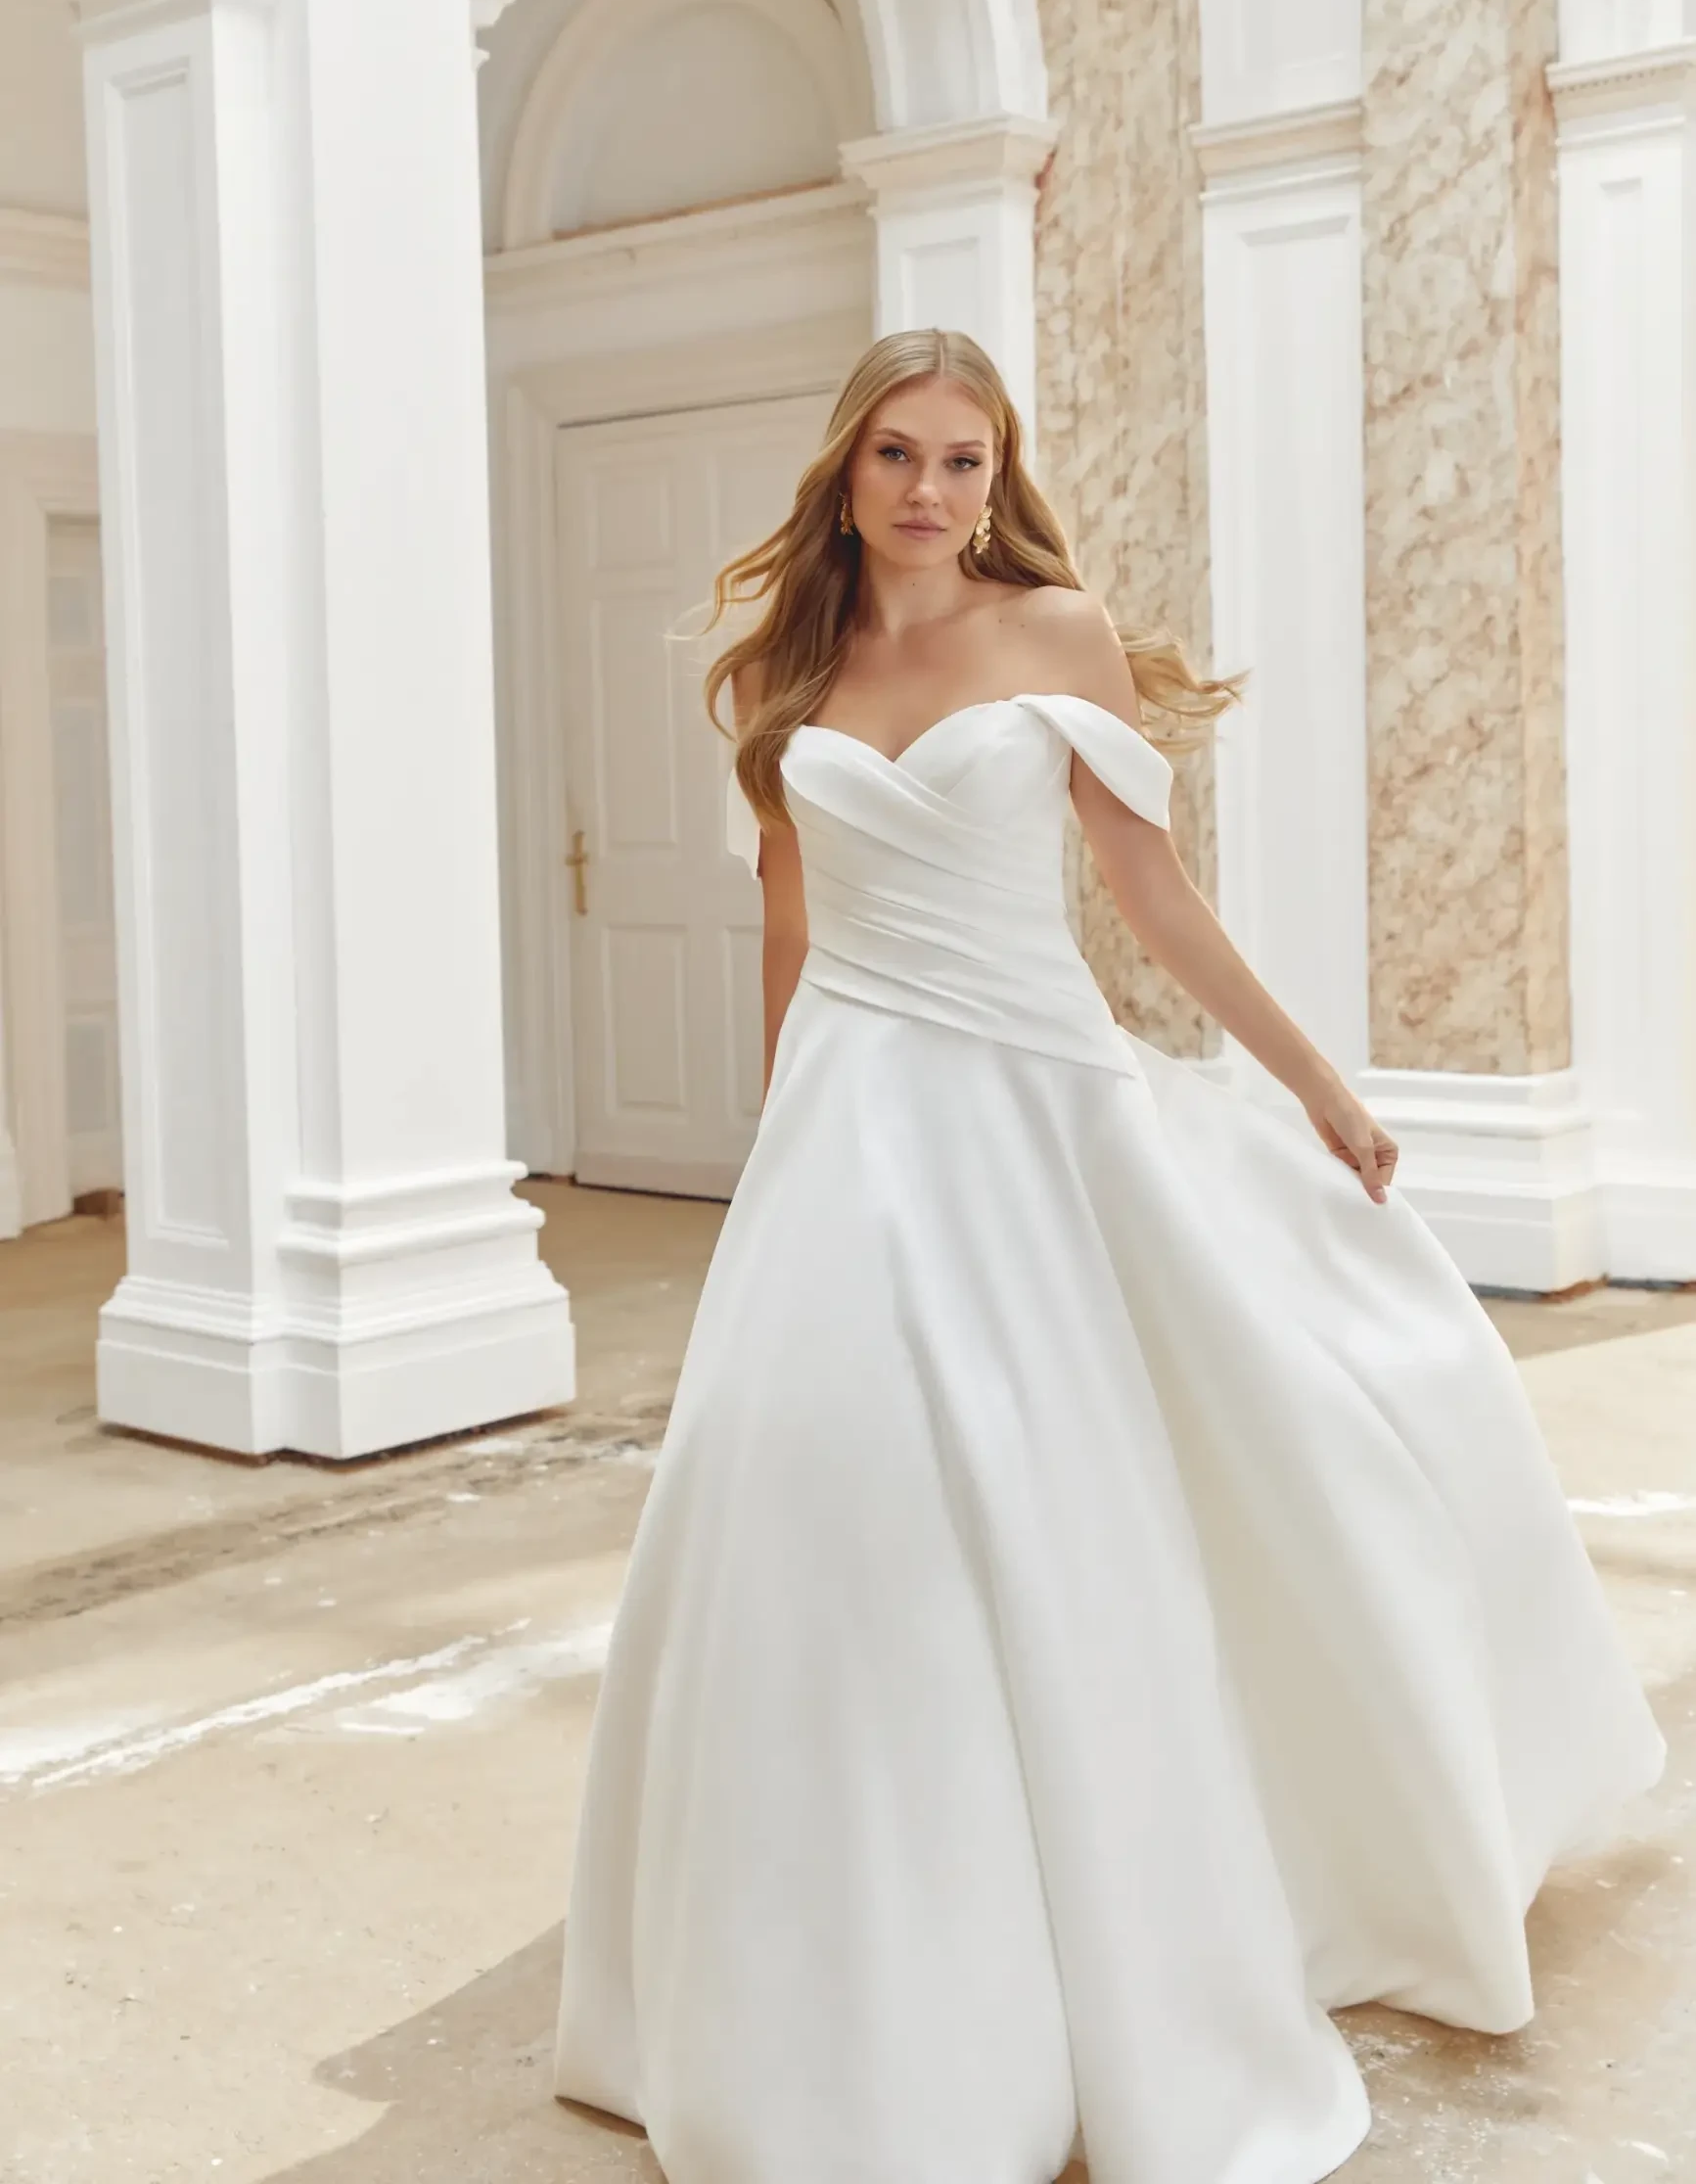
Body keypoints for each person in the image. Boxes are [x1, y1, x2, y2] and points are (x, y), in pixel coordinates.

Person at [552, 329, 1665, 2184]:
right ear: (848, 468)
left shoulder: (1054, 635)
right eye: (899, 453)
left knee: (1116, 1484)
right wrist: (774, 1151)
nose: (930, 490)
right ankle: (836, 1977)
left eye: (966, 460)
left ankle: (1156, 1909)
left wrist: (1314, 1080)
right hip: (852, 1118)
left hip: (1033, 1111)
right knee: (828, 1521)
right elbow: (791, 922)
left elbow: (1153, 898)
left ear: (1002, 476)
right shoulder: (789, 670)